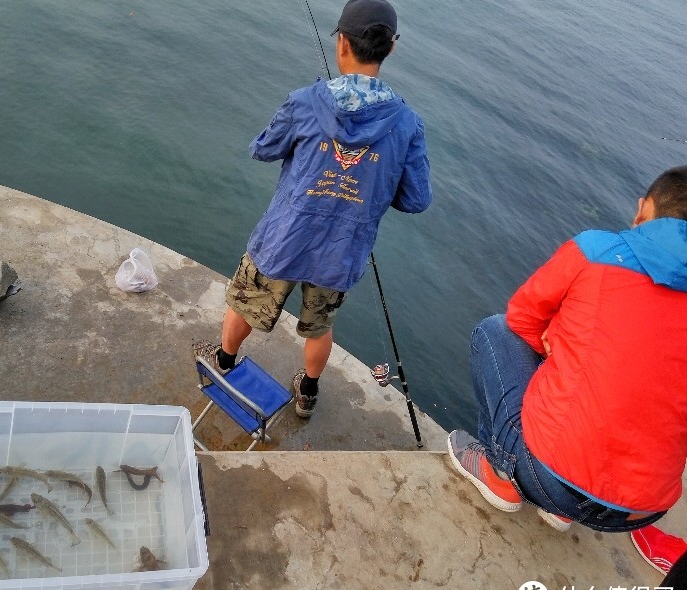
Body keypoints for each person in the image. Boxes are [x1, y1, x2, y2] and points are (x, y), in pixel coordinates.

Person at [193, 0, 432, 417]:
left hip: (282, 240)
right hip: (341, 252)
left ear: (342, 43)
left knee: (245, 301)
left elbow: (263, 148)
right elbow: (415, 199)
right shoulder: (408, 123)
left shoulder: (305, 101)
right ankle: (307, 393)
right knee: (320, 326)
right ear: (390, 49)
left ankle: (224, 362)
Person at [448, 165, 687, 532]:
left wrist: (558, 343)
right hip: (642, 512)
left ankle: (502, 473)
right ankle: (560, 511)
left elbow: (522, 320)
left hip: (551, 480)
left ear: (644, 209)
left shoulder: (596, 250)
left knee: (494, 332)